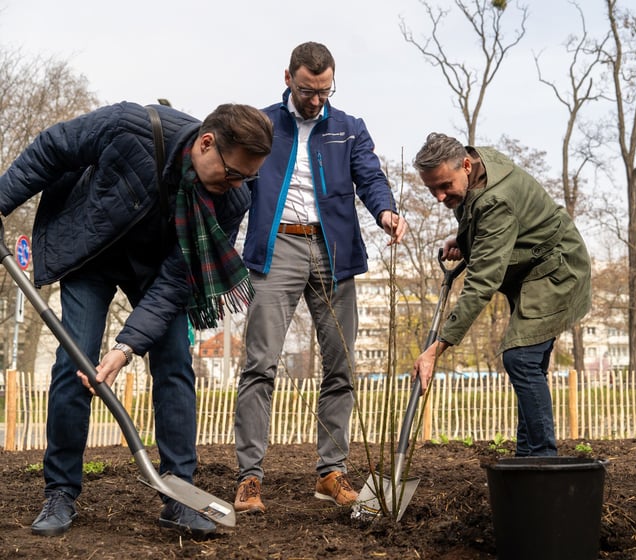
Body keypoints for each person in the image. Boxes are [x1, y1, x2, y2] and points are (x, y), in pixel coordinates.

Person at [0, 101, 274, 536]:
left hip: (158, 270)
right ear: (206, 143)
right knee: (77, 364)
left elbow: (177, 280)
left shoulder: (232, 198)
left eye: (249, 176)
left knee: (175, 365)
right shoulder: (133, 128)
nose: (239, 184)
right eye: (234, 172)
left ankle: (178, 494)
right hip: (94, 250)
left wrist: (125, 348)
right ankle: (61, 491)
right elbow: (54, 148)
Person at [232, 41, 407, 514]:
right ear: (287, 78)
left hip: (334, 251)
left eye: (325, 91)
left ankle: (331, 472)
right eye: (308, 91)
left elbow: (369, 177)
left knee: (342, 366)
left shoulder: (349, 129)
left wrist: (386, 212)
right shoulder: (262, 124)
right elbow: (235, 182)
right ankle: (249, 478)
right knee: (260, 364)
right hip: (277, 247)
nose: (316, 101)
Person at [411, 132, 591, 457]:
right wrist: (464, 241)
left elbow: (482, 281)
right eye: (431, 189)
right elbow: (491, 226)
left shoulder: (496, 198)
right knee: (528, 363)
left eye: (444, 186)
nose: (439, 196)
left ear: (465, 165)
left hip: (555, 272)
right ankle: (530, 456)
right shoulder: (478, 168)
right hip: (532, 271)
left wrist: (436, 350)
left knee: (520, 358)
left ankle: (540, 460)